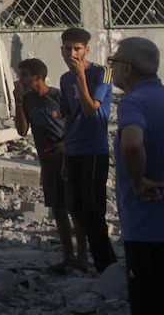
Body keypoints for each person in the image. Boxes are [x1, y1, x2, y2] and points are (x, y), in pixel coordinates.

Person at [109, 37, 164, 314]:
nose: (111, 68)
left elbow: (132, 143)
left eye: (113, 62)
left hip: (146, 228)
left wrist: (139, 181)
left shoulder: (134, 103)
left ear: (127, 69)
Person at [59, 27, 116, 272]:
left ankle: (107, 265)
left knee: (94, 209)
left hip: (94, 149)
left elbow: (92, 110)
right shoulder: (64, 79)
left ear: (86, 50)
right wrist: (64, 155)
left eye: (77, 49)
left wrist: (81, 76)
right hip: (74, 151)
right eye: (67, 48)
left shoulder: (102, 73)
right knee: (77, 207)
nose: (71, 53)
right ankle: (86, 260)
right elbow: (69, 118)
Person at [13, 58, 80, 267]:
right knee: (58, 210)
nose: (21, 80)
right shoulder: (28, 100)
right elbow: (22, 130)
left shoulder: (58, 96)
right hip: (48, 163)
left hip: (66, 160)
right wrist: (18, 101)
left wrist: (66, 147)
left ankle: (84, 257)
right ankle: (68, 256)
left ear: (38, 77)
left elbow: (73, 124)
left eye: (24, 75)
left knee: (75, 208)